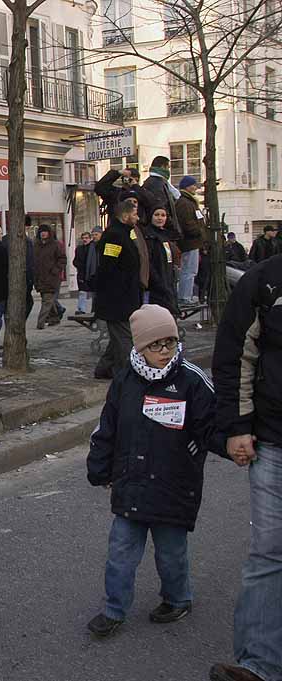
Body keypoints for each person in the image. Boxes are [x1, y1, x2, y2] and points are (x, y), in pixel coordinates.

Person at [86, 304, 219, 638]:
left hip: (174, 485)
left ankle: (177, 599)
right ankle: (113, 610)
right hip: (131, 484)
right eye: (154, 345)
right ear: (139, 347)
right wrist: (100, 470)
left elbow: (213, 427)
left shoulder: (192, 380)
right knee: (120, 553)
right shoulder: (124, 381)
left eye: (170, 342)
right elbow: (108, 429)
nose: (164, 351)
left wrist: (235, 444)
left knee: (171, 553)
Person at [209, 253, 282, 681]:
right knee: (269, 555)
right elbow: (236, 354)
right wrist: (236, 426)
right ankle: (259, 664)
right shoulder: (265, 282)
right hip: (275, 443)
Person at [93, 201, 145, 379]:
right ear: (125, 216)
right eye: (135, 214)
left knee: (118, 337)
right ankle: (127, 373)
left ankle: (104, 369)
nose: (137, 218)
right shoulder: (115, 236)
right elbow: (108, 266)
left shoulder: (125, 234)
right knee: (124, 337)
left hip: (125, 296)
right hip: (116, 298)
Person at [143, 207, 180, 316]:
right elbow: (148, 260)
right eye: (157, 215)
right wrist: (157, 280)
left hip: (168, 278)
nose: (160, 218)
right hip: (156, 282)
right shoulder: (148, 235)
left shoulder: (165, 234)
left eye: (163, 215)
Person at [175, 176, 205, 304]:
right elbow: (187, 223)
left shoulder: (188, 202)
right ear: (187, 186)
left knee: (190, 270)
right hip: (190, 242)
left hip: (191, 242)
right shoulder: (185, 203)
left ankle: (185, 295)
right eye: (193, 185)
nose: (195, 187)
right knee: (189, 270)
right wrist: (200, 232)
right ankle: (185, 297)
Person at [34, 225, 66, 330]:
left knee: (47, 301)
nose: (43, 233)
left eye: (45, 231)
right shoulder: (36, 245)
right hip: (41, 277)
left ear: (49, 233)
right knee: (47, 299)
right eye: (41, 231)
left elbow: (62, 259)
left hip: (52, 277)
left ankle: (40, 322)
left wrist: (55, 271)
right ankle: (55, 317)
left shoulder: (56, 245)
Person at [142, 156, 183, 237]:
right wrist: (172, 228)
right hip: (161, 231)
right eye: (168, 167)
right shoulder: (155, 184)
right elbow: (162, 207)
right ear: (162, 167)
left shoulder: (160, 182)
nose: (169, 171)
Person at [74, 231, 94, 314]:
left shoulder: (93, 248)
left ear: (90, 238)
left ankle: (95, 309)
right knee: (82, 292)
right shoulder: (79, 249)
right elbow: (75, 261)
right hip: (82, 273)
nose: (85, 240)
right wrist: (79, 266)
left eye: (86, 238)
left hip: (91, 273)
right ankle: (81, 309)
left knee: (94, 293)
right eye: (83, 238)